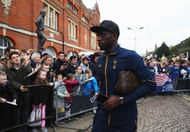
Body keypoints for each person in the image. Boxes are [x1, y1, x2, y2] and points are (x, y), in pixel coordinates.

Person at [90, 20, 156, 132]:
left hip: (124, 120)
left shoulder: (130, 56)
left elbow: (151, 84)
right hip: (101, 118)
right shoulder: (100, 59)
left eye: (103, 34)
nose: (98, 38)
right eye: (98, 35)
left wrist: (121, 100)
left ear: (114, 36)